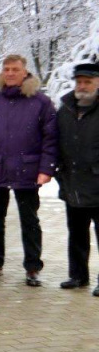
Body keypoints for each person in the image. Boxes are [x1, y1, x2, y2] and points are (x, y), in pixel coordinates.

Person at [0, 54, 58, 286]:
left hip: (27, 170)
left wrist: (46, 168)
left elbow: (50, 139)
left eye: (15, 69)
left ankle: (32, 268)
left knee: (30, 221)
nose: (10, 73)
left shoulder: (40, 102)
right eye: (6, 69)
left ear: (24, 72)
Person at [55, 62, 99, 295]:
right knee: (77, 234)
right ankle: (78, 276)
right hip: (72, 183)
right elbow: (56, 141)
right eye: (79, 82)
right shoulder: (66, 108)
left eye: (88, 82)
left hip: (97, 183)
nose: (82, 86)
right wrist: (58, 171)